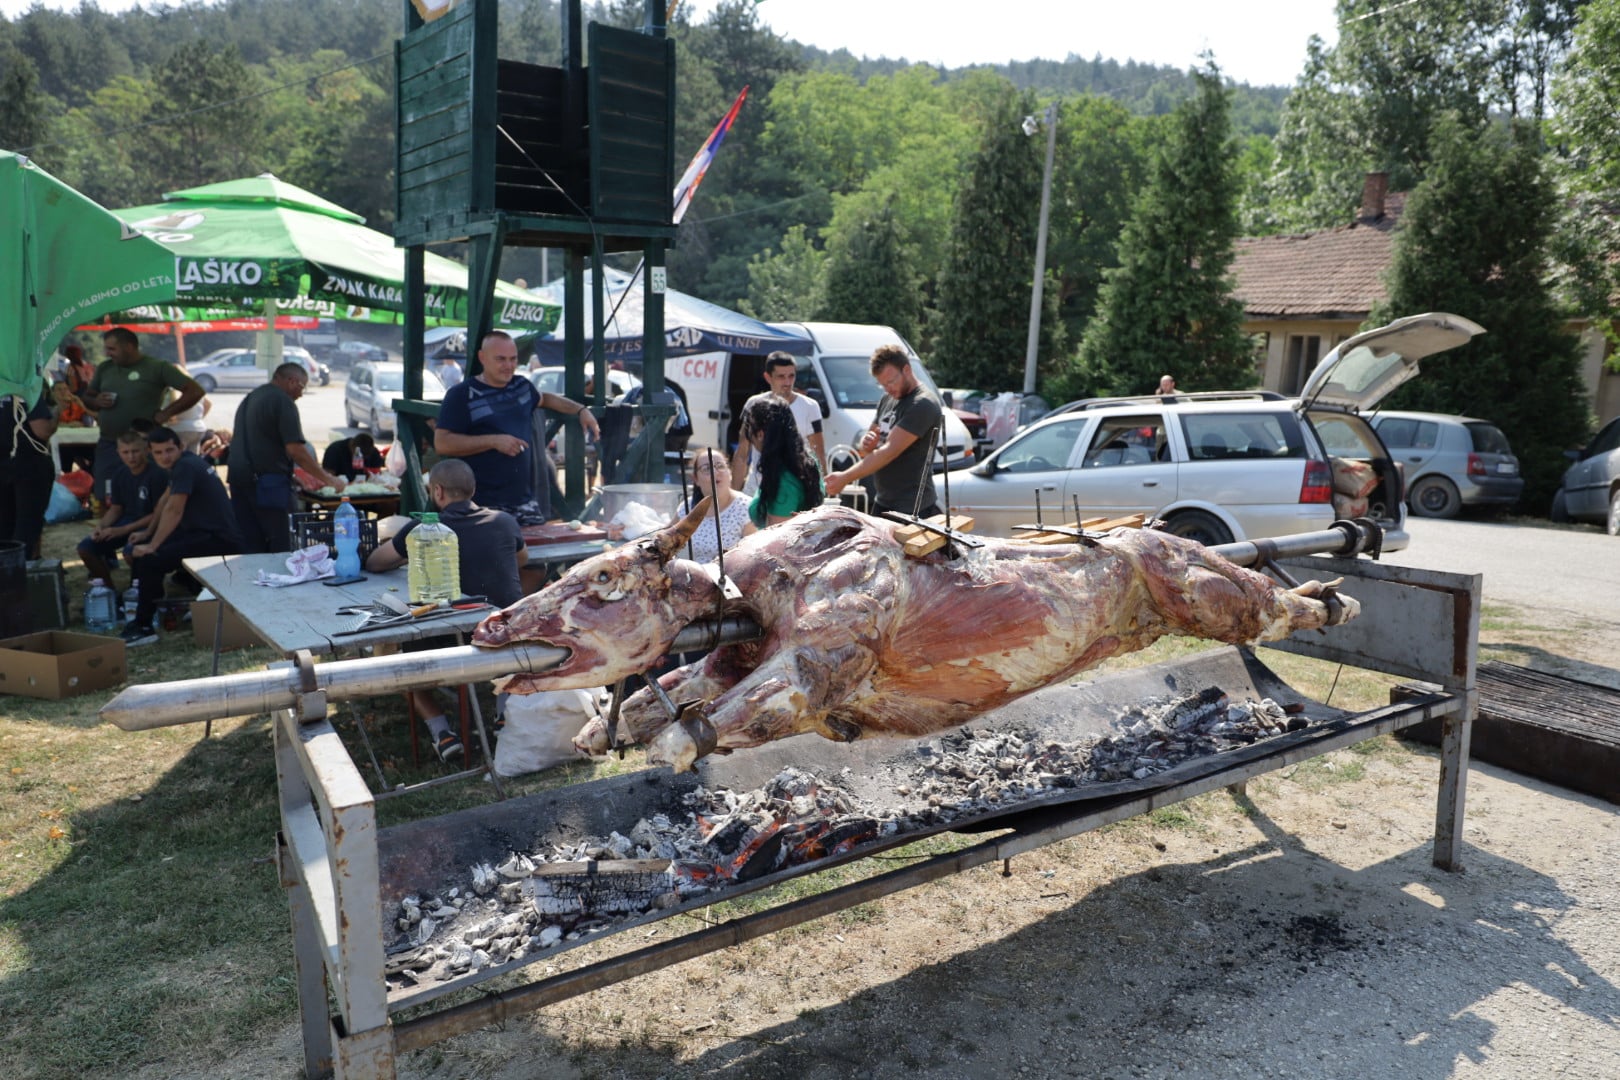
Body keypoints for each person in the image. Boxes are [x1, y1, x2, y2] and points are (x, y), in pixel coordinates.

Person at [365, 459, 525, 761]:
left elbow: (376, 562)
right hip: (500, 636)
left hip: (442, 645)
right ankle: (506, 711)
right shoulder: (504, 521)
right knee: (504, 623)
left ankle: (442, 731)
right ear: (473, 489)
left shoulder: (422, 530)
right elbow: (523, 558)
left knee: (389, 657)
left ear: (437, 491)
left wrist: (406, 553)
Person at [435, 330, 600, 524]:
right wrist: (493, 441)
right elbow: (442, 443)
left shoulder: (521, 386)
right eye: (501, 359)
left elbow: (546, 398)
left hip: (524, 503)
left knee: (537, 550)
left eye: (513, 359)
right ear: (482, 358)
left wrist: (581, 410)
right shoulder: (461, 395)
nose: (508, 366)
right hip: (480, 505)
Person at [120, 427, 241, 646]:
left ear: (181, 447)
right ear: (151, 453)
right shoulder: (184, 463)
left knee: (150, 560)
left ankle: (144, 625)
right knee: (162, 561)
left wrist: (152, 545)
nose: (164, 457)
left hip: (218, 539)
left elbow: (174, 510)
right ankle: (200, 604)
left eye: (169, 450)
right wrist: (148, 534)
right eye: (158, 453)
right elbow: (164, 502)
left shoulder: (185, 467)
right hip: (209, 534)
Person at [227, 362, 347, 554]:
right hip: (267, 485)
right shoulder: (283, 401)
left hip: (238, 479)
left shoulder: (252, 397)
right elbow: (295, 450)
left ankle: (253, 581)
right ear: (292, 381)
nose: (301, 394)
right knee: (283, 542)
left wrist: (288, 474)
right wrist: (328, 478)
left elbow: (257, 443)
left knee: (251, 541)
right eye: (302, 387)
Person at [824, 344, 944, 519]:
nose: (888, 388)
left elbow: (888, 452)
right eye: (882, 385)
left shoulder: (922, 404)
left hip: (912, 507)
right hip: (884, 501)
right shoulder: (888, 398)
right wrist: (866, 443)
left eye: (891, 381)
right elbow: (867, 445)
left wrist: (844, 477)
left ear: (907, 370)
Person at [80, 328, 204, 485]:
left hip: (144, 446)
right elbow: (87, 396)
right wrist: (96, 401)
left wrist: (167, 413)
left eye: (112, 349)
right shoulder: (105, 368)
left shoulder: (157, 367)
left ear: (129, 347)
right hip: (110, 444)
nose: (107, 353)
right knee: (105, 492)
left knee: (146, 491)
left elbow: (195, 391)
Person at [77, 429, 169, 586]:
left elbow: (158, 514)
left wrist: (123, 530)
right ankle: (108, 590)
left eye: (135, 451)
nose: (131, 457)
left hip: (150, 525)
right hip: (127, 522)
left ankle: (142, 589)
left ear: (146, 450)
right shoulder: (119, 474)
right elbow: (116, 508)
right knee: (85, 548)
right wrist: (101, 526)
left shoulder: (157, 474)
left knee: (130, 553)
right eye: (125, 452)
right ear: (118, 452)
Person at [731, 351, 826, 489]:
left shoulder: (810, 407)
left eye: (791, 376)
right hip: (757, 488)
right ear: (768, 377)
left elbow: (818, 454)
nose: (787, 382)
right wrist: (734, 496)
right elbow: (742, 454)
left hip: (794, 488)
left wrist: (820, 491)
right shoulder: (753, 404)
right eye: (781, 377)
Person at [739, 397, 823, 527]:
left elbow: (778, 537)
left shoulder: (783, 480)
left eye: (749, 429)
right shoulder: (808, 462)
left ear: (760, 434)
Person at [1, 387, 57, 560]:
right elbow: (42, 429)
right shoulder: (25, 386)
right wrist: (57, 412)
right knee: (26, 527)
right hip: (28, 465)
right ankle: (18, 577)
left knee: (3, 527)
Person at [679, 449, 756, 563]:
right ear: (696, 479)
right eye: (707, 469)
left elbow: (753, 557)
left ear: (729, 472)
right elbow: (665, 538)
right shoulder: (688, 507)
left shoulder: (746, 508)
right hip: (696, 576)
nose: (715, 472)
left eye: (720, 466)